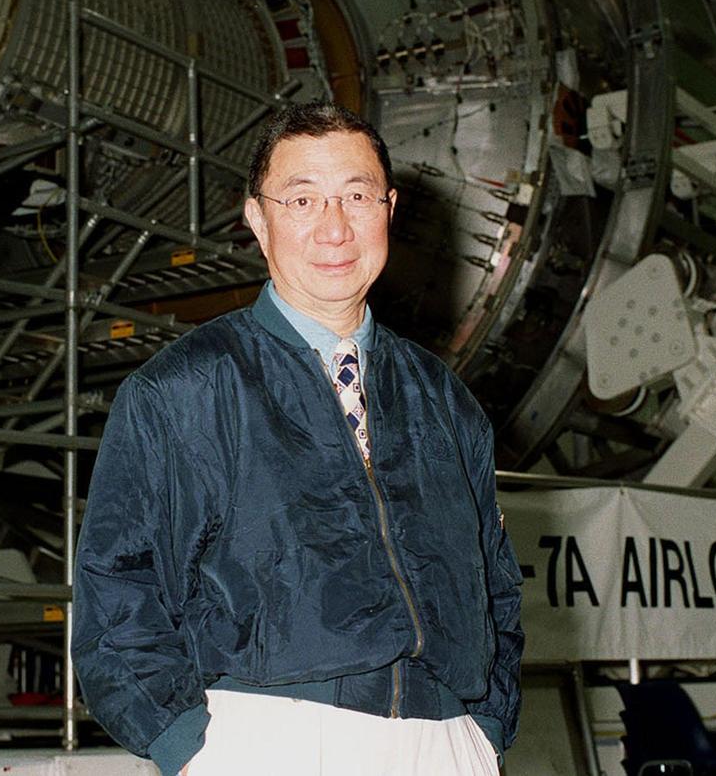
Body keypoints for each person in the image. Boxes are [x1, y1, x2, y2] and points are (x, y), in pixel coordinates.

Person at [71, 101, 523, 775]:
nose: (334, 227)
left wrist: (486, 723)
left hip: (448, 738)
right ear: (258, 218)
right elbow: (117, 589)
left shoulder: (442, 396)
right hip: (269, 738)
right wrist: (187, 746)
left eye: (357, 196)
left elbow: (496, 581)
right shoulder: (183, 390)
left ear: (389, 208)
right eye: (302, 199)